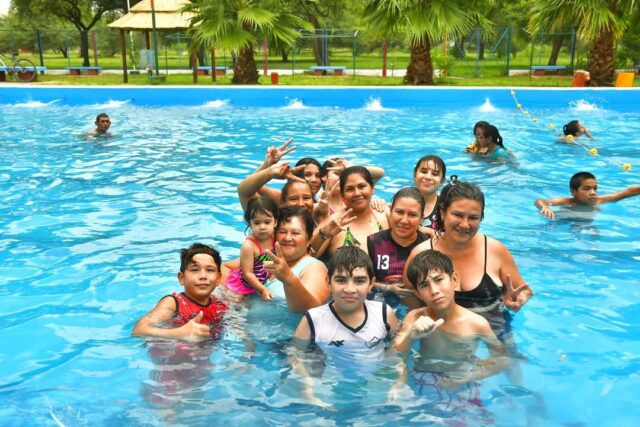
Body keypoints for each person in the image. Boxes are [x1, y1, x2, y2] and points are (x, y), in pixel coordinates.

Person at [403, 178, 532, 341]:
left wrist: (518, 299)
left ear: (481, 219)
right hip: (443, 336)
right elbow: (409, 296)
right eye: (457, 215)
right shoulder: (421, 253)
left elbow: (524, 290)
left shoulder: (495, 250)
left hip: (495, 334)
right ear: (442, 213)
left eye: (473, 218)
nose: (465, 224)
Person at [390, 250, 509, 410]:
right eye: (424, 285)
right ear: (418, 293)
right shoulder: (415, 317)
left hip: (462, 380)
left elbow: (502, 359)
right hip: (423, 377)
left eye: (439, 280)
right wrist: (412, 335)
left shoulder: (476, 323)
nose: (434, 290)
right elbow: (395, 354)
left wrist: (467, 378)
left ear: (454, 280)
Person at [292, 246, 399, 407]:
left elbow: (397, 351)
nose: (350, 289)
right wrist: (308, 389)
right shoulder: (313, 319)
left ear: (371, 284)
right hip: (328, 387)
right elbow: (294, 355)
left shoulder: (384, 313)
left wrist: (396, 385)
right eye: (341, 280)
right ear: (328, 282)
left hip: (375, 383)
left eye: (359, 281)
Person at [132, 243, 227, 341]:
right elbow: (139, 330)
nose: (203, 276)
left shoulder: (219, 304)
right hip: (170, 348)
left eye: (210, 270)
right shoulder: (173, 303)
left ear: (218, 278)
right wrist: (180, 333)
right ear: (181, 278)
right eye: (195, 270)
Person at [261, 206, 330, 313]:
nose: (287, 238)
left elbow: (313, 310)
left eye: (295, 233)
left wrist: (288, 278)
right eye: (282, 232)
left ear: (308, 240)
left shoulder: (314, 268)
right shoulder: (266, 258)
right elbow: (233, 268)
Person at [367, 187, 428, 305]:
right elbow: (361, 281)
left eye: (412, 215)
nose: (404, 220)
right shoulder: (373, 242)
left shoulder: (427, 245)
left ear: (421, 218)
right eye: (399, 212)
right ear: (390, 211)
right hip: (379, 304)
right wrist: (388, 288)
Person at [313, 166, 389, 257]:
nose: (357, 193)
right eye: (350, 189)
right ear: (342, 196)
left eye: (361, 187)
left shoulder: (384, 213)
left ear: (372, 189)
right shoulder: (334, 222)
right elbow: (307, 257)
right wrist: (322, 235)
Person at [225, 196, 279, 300]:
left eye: (267, 222)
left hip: (260, 279)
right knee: (236, 304)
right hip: (242, 285)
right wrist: (262, 289)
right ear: (250, 224)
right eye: (257, 223)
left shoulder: (273, 236)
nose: (262, 227)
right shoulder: (249, 246)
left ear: (275, 222)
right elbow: (247, 273)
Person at [535, 171, 640, 219]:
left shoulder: (600, 200)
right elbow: (540, 201)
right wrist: (544, 206)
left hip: (588, 223)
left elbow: (628, 192)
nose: (593, 192)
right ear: (574, 192)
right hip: (567, 219)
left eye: (595, 188)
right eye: (587, 189)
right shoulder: (567, 202)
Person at [412, 155, 446, 236]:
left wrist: (432, 233)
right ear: (414, 175)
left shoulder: (445, 208)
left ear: (442, 181)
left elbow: (455, 237)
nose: (428, 177)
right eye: (424, 172)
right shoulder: (402, 201)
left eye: (435, 174)